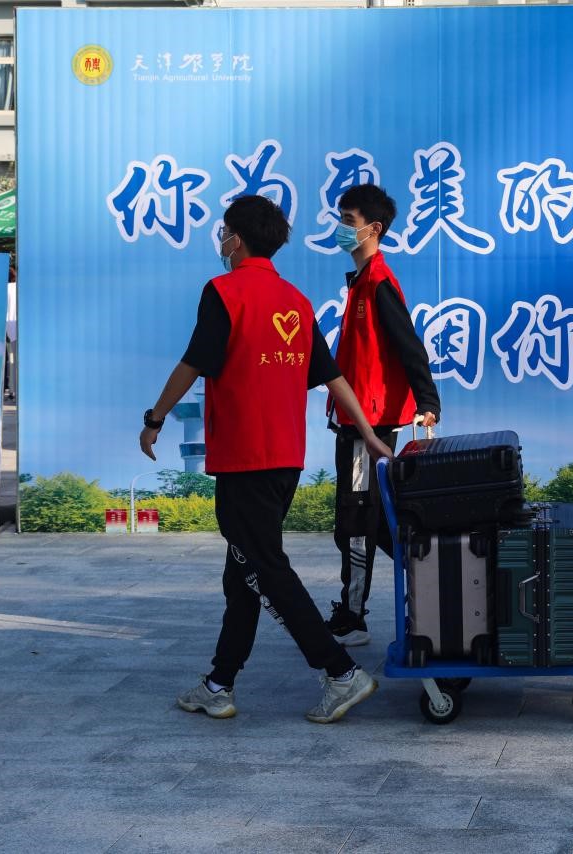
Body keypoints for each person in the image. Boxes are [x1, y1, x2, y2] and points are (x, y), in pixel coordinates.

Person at [138, 194, 393, 723]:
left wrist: (156, 417)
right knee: (244, 569)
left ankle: (340, 672)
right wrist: (368, 434)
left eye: (225, 231)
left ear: (237, 239)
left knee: (266, 568)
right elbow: (332, 376)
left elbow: (192, 364)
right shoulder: (294, 300)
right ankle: (219, 682)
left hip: (243, 458)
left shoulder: (225, 292)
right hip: (285, 459)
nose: (222, 240)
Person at [324, 184, 441, 647]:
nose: (340, 228)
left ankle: (353, 616)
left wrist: (428, 402)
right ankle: (437, 579)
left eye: (348, 221)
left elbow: (410, 346)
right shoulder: (360, 282)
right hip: (356, 421)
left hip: (368, 429)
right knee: (372, 521)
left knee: (355, 521)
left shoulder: (378, 283)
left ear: (373, 229)